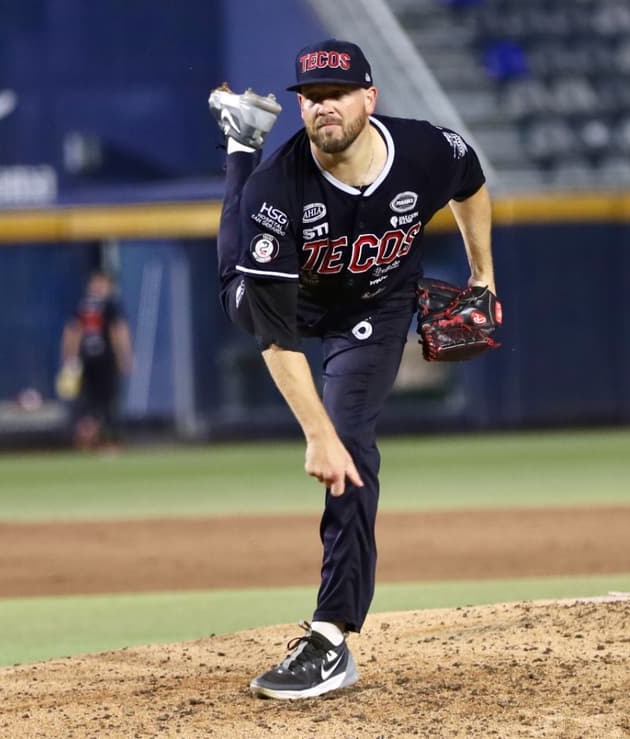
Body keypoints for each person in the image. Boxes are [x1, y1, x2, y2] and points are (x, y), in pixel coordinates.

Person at [208, 39, 496, 700]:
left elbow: (471, 182)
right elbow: (278, 341)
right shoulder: (278, 191)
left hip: (377, 304)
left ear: (371, 96)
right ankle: (239, 142)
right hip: (292, 303)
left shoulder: (426, 150)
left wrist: (482, 273)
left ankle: (331, 635)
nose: (321, 108)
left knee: (354, 443)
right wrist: (315, 434)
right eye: (309, 97)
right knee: (240, 300)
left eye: (335, 94)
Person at [59, 270, 133, 450]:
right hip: (102, 362)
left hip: (87, 362)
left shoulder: (83, 305)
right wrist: (124, 356)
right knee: (104, 403)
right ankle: (105, 440)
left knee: (90, 403)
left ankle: (89, 439)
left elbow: (71, 332)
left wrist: (69, 358)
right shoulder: (109, 304)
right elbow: (118, 331)